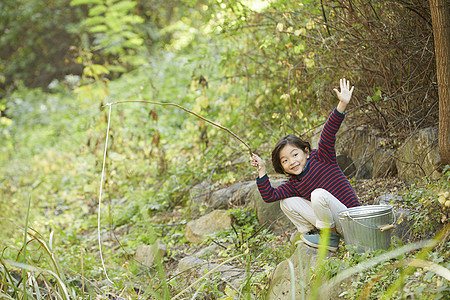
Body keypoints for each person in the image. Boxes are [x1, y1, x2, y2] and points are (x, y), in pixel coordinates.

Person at [250, 78, 360, 252]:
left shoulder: (323, 157)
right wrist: (262, 170)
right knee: (286, 203)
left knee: (317, 194)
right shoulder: (294, 183)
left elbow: (328, 132)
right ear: (282, 167)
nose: (292, 162)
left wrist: (342, 105)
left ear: (306, 151)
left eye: (295, 155)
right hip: (332, 223)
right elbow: (269, 195)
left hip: (352, 218)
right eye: (285, 160)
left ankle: (329, 239)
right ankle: (314, 233)